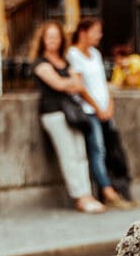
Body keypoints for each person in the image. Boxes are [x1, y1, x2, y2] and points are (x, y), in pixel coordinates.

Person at [31, 21, 105, 214]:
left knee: (81, 153)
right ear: (43, 40)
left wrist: (69, 83)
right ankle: (80, 196)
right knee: (69, 155)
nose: (53, 40)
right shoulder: (40, 63)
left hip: (73, 113)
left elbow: (78, 85)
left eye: (56, 36)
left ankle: (87, 194)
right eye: (49, 37)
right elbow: (59, 84)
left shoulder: (65, 62)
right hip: (54, 113)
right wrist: (69, 83)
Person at [68, 19, 135, 208]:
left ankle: (118, 188)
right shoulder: (73, 54)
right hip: (89, 111)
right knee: (97, 150)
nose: (99, 35)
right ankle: (107, 190)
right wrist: (97, 108)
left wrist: (109, 105)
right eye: (96, 31)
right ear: (83, 32)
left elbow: (103, 84)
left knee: (112, 150)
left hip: (105, 109)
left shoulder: (96, 54)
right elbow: (80, 87)